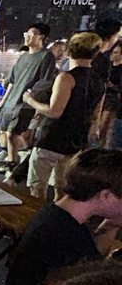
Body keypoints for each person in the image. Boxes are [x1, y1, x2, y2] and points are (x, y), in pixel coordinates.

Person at [1, 147, 122, 285]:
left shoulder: (55, 214)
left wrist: (112, 224)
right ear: (105, 195)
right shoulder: (67, 234)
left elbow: (91, 255)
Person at [22, 32, 105, 199]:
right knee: (63, 189)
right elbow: (96, 116)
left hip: (51, 139)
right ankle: (56, 221)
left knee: (37, 189)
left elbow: (55, 111)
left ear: (69, 51)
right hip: (75, 142)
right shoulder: (99, 83)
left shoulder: (66, 78)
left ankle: (36, 222)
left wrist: (30, 100)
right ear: (95, 53)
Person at [0, 24, 56, 170]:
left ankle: (15, 163)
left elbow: (45, 81)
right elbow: (12, 79)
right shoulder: (24, 57)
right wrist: (4, 96)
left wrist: (33, 99)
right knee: (7, 133)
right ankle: (12, 162)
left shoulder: (46, 56)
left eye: (32, 33)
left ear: (41, 37)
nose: (27, 36)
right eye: (26, 33)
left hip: (26, 103)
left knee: (13, 133)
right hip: (12, 101)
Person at [100, 39, 122, 147]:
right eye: (113, 52)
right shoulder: (107, 66)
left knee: (104, 126)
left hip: (112, 99)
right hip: (102, 96)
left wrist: (112, 86)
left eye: (116, 52)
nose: (113, 54)